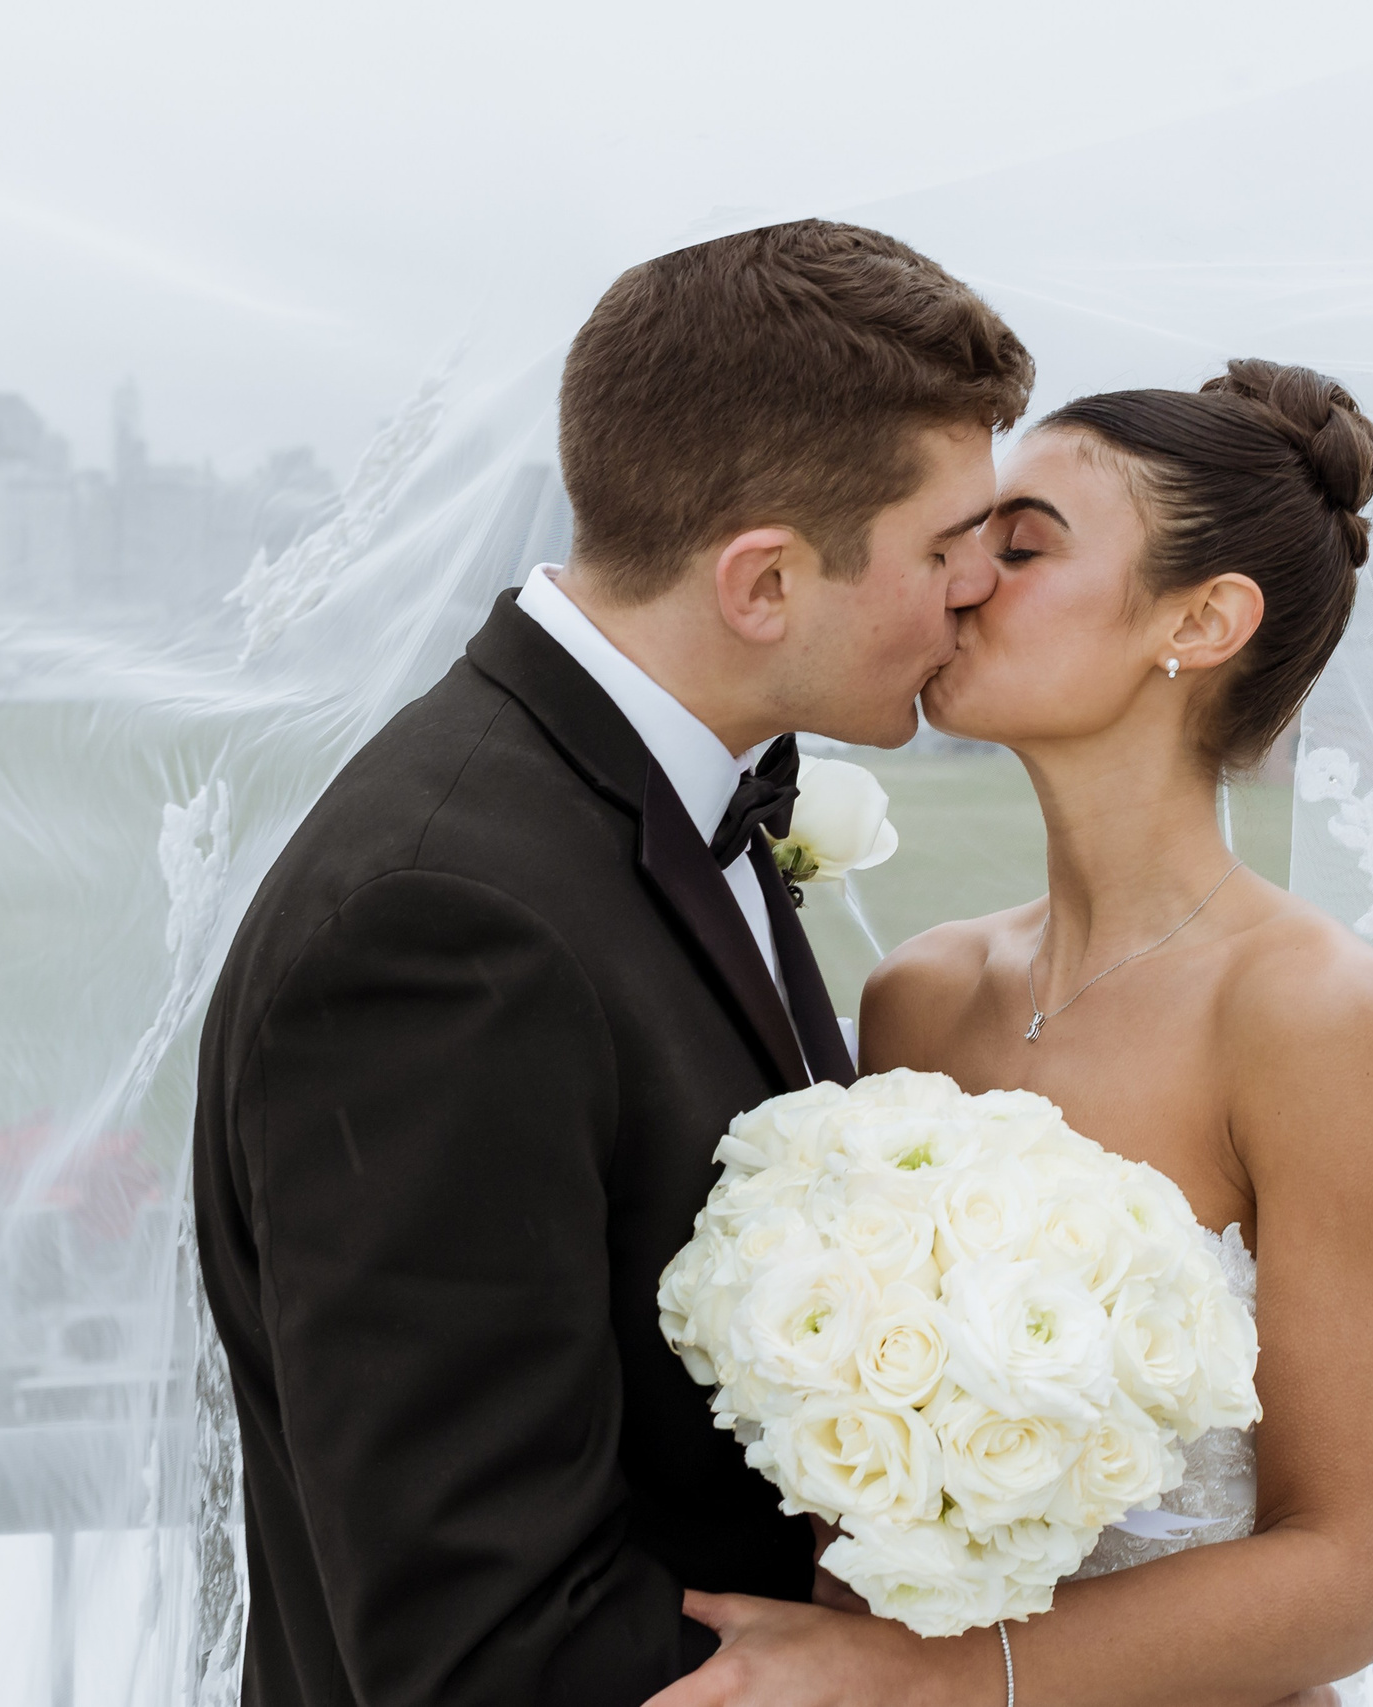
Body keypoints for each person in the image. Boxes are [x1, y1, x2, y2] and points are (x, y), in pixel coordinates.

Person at [189, 219, 1034, 1706]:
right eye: (944, 547)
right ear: (762, 584)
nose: (978, 587)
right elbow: (488, 1652)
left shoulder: (653, 797)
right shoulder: (444, 930)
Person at [652, 362, 1373, 1706]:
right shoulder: (920, 994)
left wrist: (921, 1683)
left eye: (1020, 548)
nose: (961, 580)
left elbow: (1346, 1577)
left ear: (1201, 620)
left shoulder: (1312, 1016)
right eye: (965, 541)